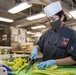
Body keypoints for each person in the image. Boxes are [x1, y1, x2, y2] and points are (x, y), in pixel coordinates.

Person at [30, 1, 76, 70]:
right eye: (49, 20)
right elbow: (39, 45)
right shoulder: (47, 33)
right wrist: (35, 49)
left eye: (53, 19)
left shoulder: (72, 34)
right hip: (44, 69)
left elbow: (74, 58)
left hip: (62, 71)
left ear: (62, 17)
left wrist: (54, 62)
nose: (51, 22)